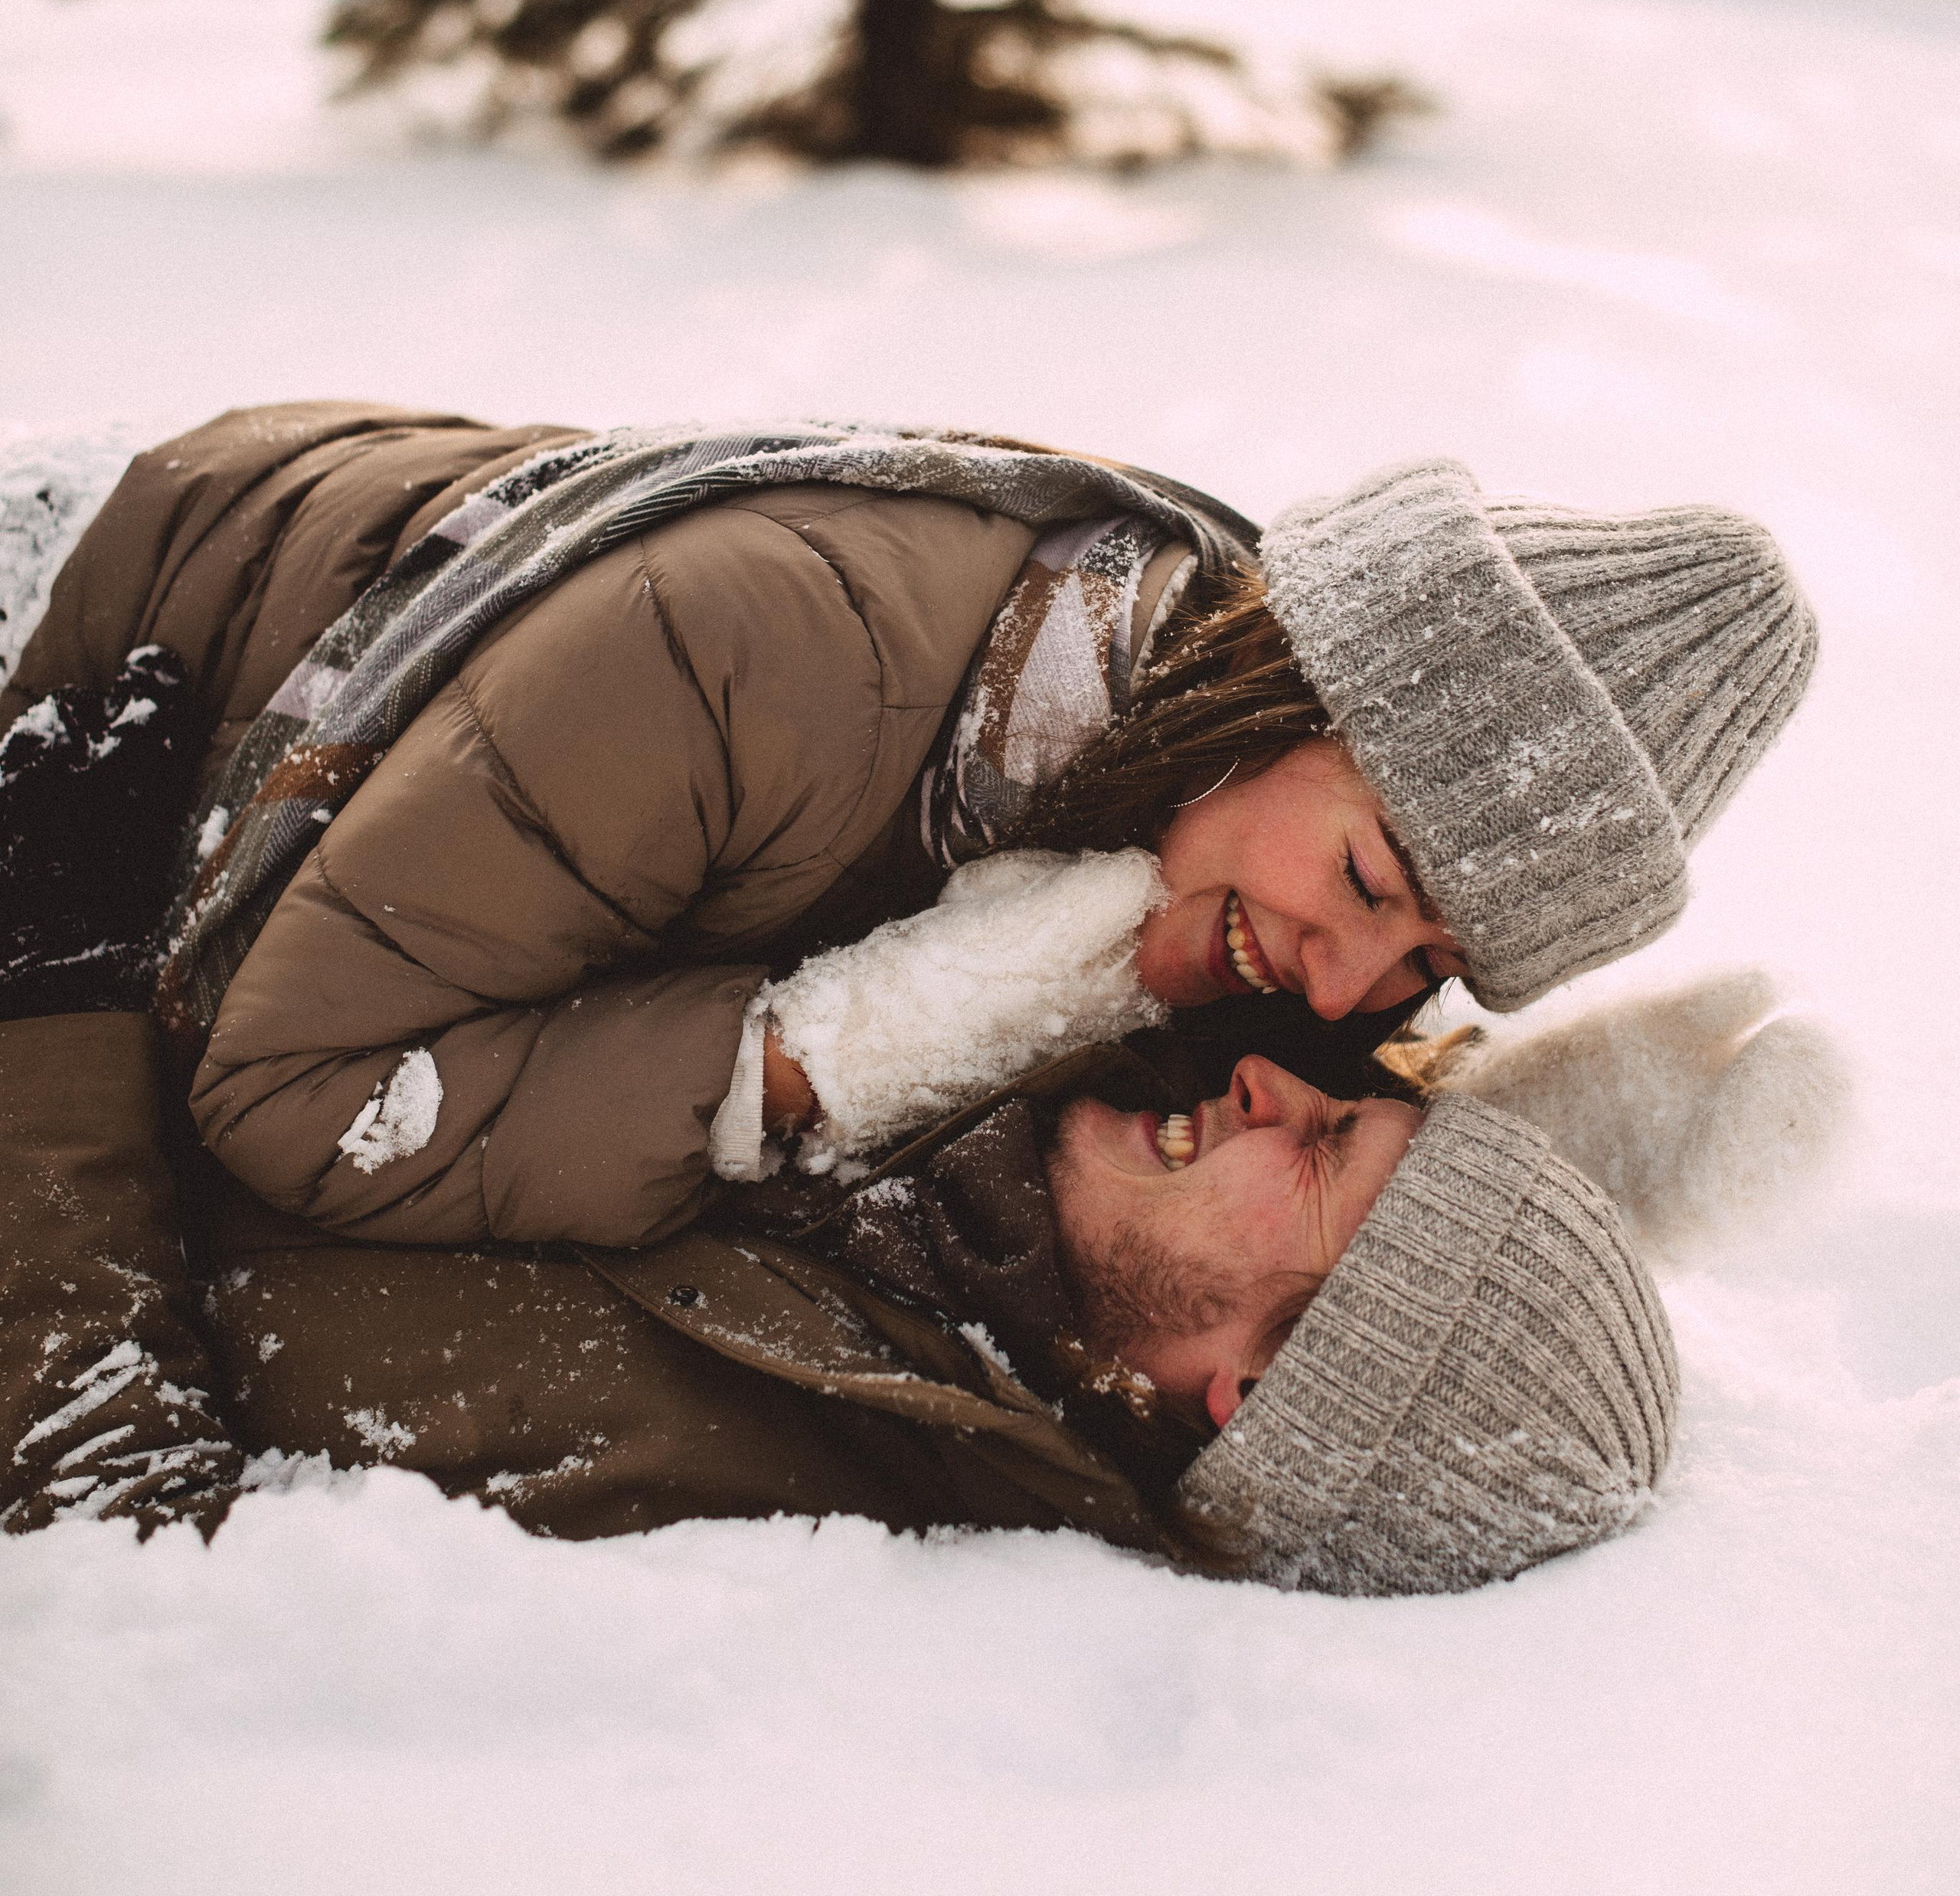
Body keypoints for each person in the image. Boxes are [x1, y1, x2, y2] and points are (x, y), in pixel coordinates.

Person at [0, 645, 1844, 1591]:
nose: (1270, 1078)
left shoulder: (780, 1466)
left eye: (1331, 1151)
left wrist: (51, 1006)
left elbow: (127, 1525)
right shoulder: (1013, 1169)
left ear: (1253, 1396)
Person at [0, 401, 1817, 1272]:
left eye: (1424, 965)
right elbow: (298, 1087)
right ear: (1278, 685)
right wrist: (815, 1062)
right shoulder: (748, 661)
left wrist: (1510, 1160)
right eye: (1365, 888)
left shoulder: (1160, 788)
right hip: (80, 617)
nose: (1341, 984)